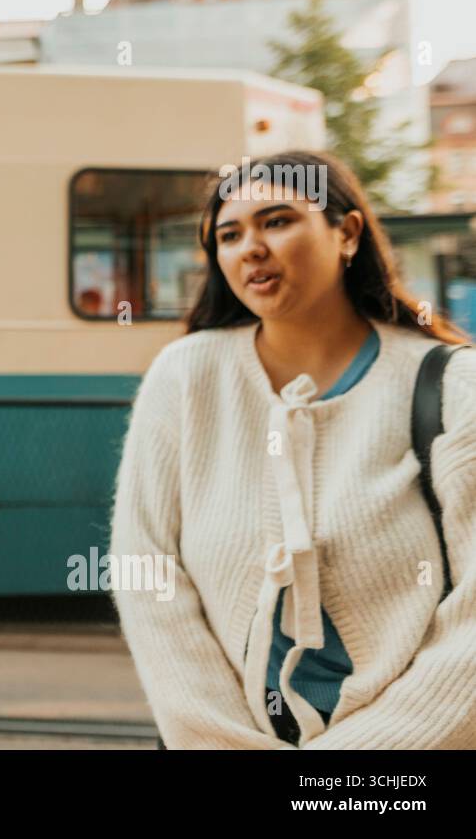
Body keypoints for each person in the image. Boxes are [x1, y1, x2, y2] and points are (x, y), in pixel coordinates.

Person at [111, 150, 476, 749]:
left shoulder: (452, 388)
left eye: (277, 221)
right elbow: (146, 572)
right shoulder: (185, 378)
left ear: (348, 233)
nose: (251, 246)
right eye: (230, 234)